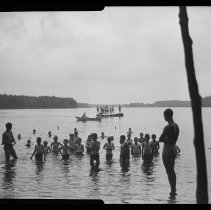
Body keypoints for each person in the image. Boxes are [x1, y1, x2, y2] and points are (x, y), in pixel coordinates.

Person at [159, 108, 180, 197]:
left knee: (169, 171)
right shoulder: (176, 125)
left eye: (164, 115)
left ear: (167, 115)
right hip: (174, 147)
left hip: (167, 149)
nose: (164, 117)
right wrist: (167, 138)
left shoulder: (168, 127)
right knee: (172, 170)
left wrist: (165, 138)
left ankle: (172, 191)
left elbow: (160, 139)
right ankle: (174, 189)